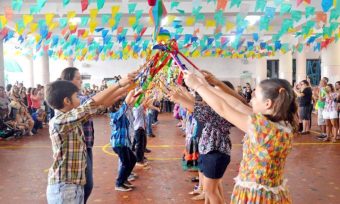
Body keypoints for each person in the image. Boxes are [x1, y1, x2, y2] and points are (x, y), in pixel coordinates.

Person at [183, 71, 297, 204]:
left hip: (256, 197)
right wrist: (207, 85)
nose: (251, 100)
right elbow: (237, 105)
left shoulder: (262, 128)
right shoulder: (280, 125)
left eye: (255, 97)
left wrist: (198, 86)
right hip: (272, 194)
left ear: (268, 104)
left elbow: (224, 109)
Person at [45, 72, 136, 204]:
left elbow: (101, 104)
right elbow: (92, 103)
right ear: (67, 101)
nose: (80, 99)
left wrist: (126, 89)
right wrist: (119, 84)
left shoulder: (71, 117)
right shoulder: (60, 121)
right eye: (76, 96)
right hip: (64, 187)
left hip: (74, 185)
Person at [60, 67, 94, 203]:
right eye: (78, 78)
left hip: (87, 144)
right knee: (85, 185)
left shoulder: (78, 99)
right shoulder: (72, 102)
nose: (81, 81)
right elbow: (97, 101)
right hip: (79, 147)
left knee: (87, 185)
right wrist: (121, 85)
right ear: (68, 81)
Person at [110, 90, 137, 192]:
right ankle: (119, 183)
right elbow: (126, 103)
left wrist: (138, 92)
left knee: (133, 159)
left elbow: (131, 102)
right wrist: (132, 88)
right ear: (117, 106)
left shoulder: (122, 114)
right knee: (125, 162)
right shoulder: (116, 115)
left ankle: (124, 179)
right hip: (118, 143)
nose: (123, 106)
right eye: (120, 105)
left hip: (124, 143)